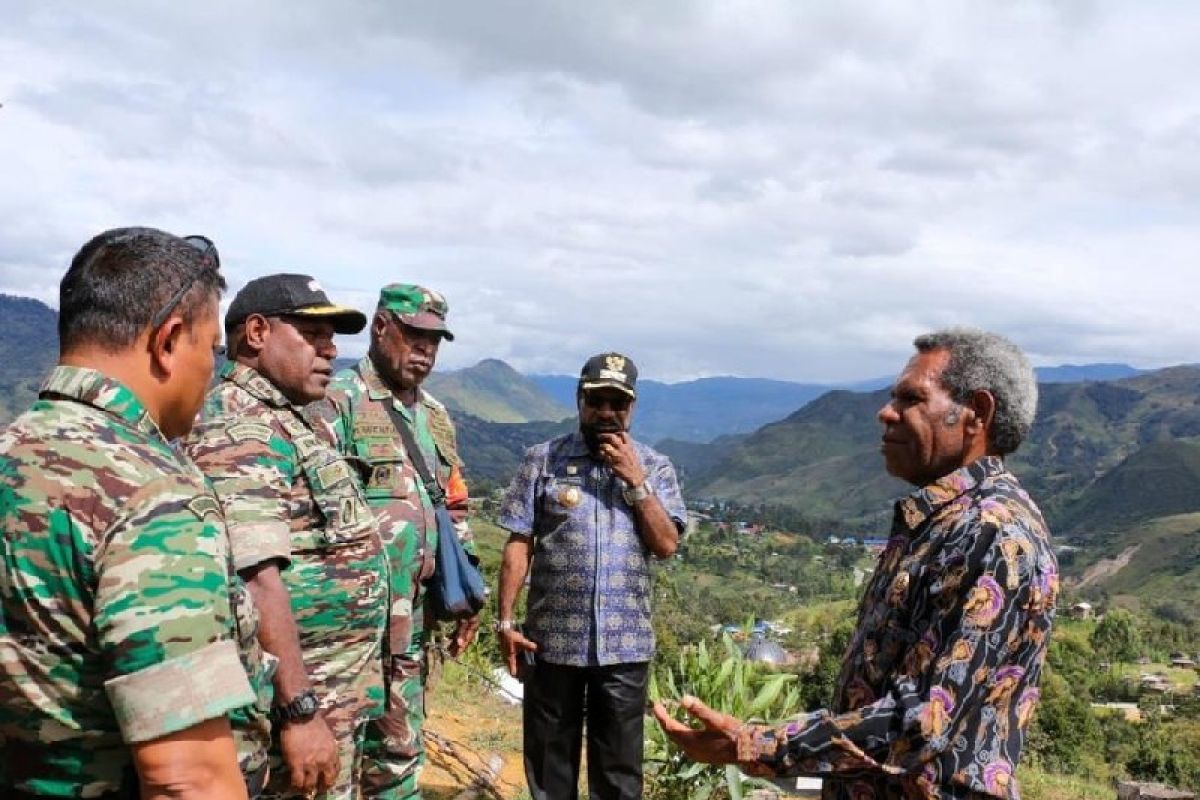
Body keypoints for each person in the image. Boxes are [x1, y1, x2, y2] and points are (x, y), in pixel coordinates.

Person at [654, 328, 1058, 800]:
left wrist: (755, 743)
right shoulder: (941, 525)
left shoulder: (991, 533)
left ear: (977, 414)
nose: (886, 413)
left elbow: (922, 721)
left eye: (911, 398)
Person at [0, 227, 272, 799]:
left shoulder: (11, 451)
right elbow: (187, 779)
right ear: (168, 340)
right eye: (211, 352)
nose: (212, 373)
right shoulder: (151, 494)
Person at [183, 274, 388, 799]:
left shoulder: (287, 419)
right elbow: (254, 577)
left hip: (332, 693)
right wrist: (298, 710)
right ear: (256, 333)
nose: (330, 349)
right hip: (292, 708)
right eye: (312, 334)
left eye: (333, 337)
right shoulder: (240, 427)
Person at [313, 283, 480, 800]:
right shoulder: (335, 402)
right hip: (350, 630)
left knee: (401, 753)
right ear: (382, 327)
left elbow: (453, 504)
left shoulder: (434, 417)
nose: (425, 351)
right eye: (415, 336)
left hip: (414, 628)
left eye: (435, 341)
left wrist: (468, 585)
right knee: (335, 761)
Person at [496, 352, 686, 800]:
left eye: (617, 403)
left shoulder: (655, 467)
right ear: (580, 400)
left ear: (631, 407)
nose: (606, 412)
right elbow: (519, 544)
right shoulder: (542, 460)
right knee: (549, 768)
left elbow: (666, 545)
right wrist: (505, 621)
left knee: (619, 776)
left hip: (624, 648)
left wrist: (636, 482)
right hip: (552, 644)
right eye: (596, 401)